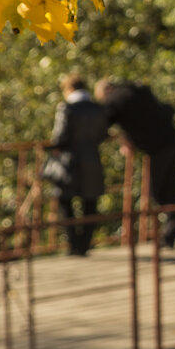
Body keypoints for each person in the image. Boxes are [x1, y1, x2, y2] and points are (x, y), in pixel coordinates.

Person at [95, 79, 175, 249]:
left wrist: (123, 139)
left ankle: (172, 234)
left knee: (157, 192)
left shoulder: (113, 102)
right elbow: (144, 116)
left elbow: (103, 128)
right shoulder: (137, 89)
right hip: (173, 140)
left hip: (158, 148)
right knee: (170, 190)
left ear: (104, 93)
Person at [46, 74, 108, 256]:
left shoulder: (67, 108)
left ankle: (73, 244)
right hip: (92, 159)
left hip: (69, 162)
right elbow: (102, 134)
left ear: (68, 89)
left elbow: (60, 137)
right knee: (90, 202)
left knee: (65, 201)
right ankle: (85, 244)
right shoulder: (97, 108)